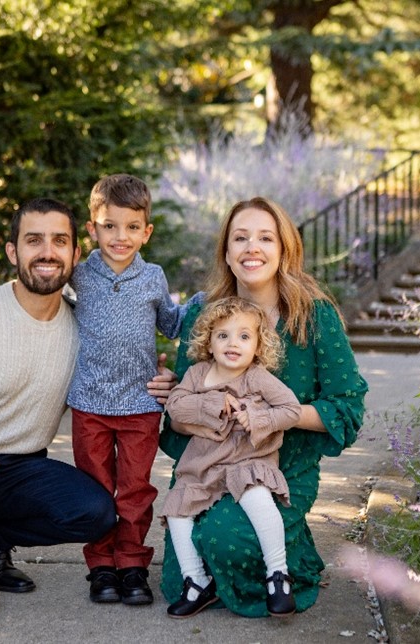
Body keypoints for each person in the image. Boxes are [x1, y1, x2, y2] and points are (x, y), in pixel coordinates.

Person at [0, 198, 176, 619]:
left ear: (76, 253)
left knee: (96, 513)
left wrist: (158, 378)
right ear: (13, 252)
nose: (47, 251)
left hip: (18, 468)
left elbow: (122, 356)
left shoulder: (83, 327)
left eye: (59, 241)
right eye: (34, 240)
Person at [159, 196, 368, 618]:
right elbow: (177, 421)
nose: (252, 247)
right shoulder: (204, 314)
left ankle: (290, 565)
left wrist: (272, 418)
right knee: (183, 549)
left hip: (281, 468)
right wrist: (188, 402)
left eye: (265, 238)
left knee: (224, 538)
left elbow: (346, 408)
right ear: (227, 253)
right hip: (207, 465)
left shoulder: (314, 316)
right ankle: (220, 574)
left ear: (284, 248)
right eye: (241, 238)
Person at [67, 174, 188, 606]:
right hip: (89, 404)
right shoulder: (78, 277)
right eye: (110, 226)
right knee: (96, 488)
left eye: (132, 227)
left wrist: (207, 299)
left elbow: (173, 325)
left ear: (146, 232)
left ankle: (132, 564)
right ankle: (101, 565)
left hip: (140, 404)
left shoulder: (153, 277)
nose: (121, 236)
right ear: (92, 228)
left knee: (135, 488)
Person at [160, 296, 301, 619]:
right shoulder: (198, 374)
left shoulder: (257, 376)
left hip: (247, 461)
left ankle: (277, 576)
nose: (232, 343)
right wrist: (212, 403)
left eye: (244, 336)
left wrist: (258, 418)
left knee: (258, 498)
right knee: (179, 511)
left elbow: (291, 409)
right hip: (203, 466)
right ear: (208, 342)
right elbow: (177, 406)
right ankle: (196, 582)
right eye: (222, 335)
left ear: (258, 346)